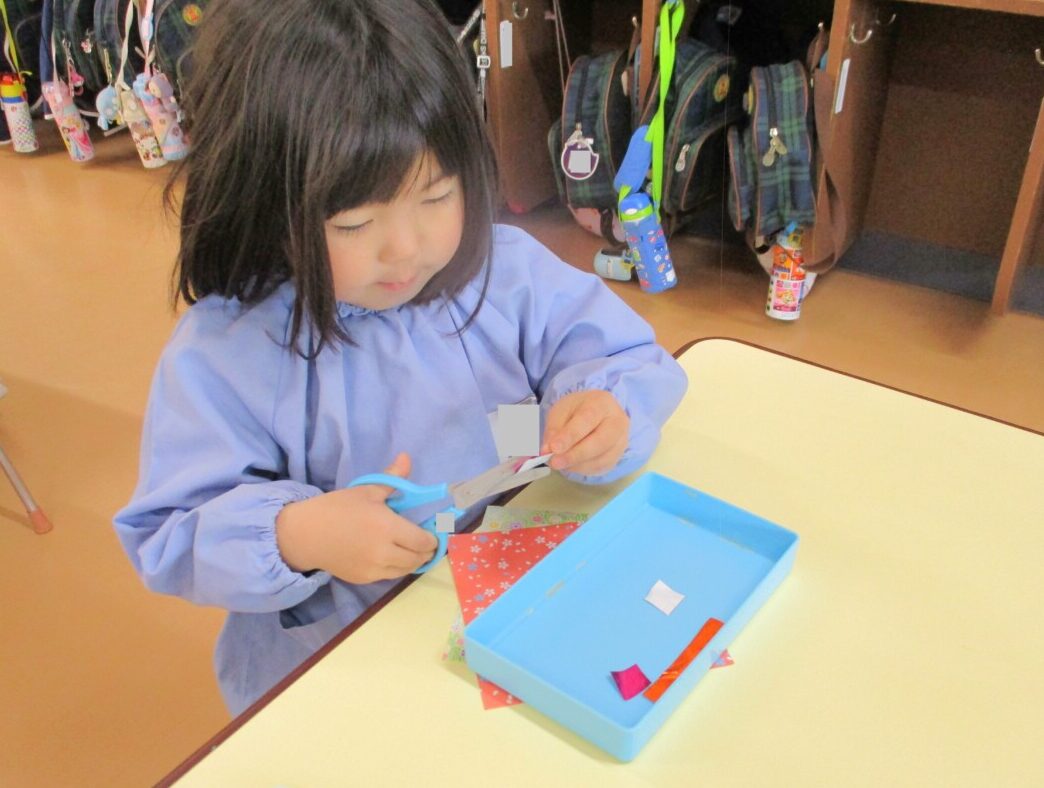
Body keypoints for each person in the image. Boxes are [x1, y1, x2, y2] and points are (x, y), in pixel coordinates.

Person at [114, 0, 687, 716]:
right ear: (267, 205)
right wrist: (297, 535)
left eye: (437, 195)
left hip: (514, 614)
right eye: (356, 223)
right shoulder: (230, 352)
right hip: (344, 669)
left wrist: (605, 410)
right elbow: (171, 532)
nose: (407, 250)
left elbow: (621, 357)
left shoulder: (502, 273)